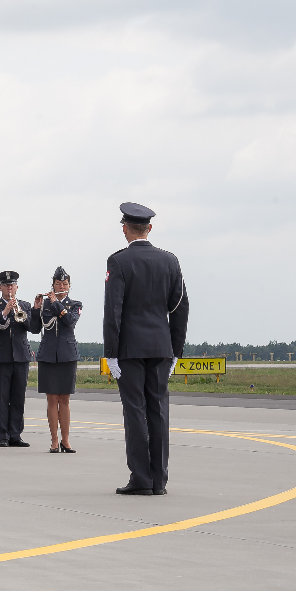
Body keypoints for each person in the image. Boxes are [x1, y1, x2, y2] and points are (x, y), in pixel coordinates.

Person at [104, 203, 189, 495]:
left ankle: (141, 478)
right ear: (149, 228)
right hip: (161, 346)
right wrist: (176, 349)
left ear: (125, 229)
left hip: (130, 349)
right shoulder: (170, 261)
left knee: (135, 411)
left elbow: (113, 311)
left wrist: (111, 352)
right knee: (159, 411)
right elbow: (180, 308)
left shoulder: (118, 261)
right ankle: (159, 480)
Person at [0, 271, 41, 447]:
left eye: (12, 285)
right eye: (6, 285)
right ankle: (3, 436)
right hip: (1, 357)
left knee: (18, 397)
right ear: (0, 287)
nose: (9, 288)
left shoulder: (24, 305)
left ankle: (15, 435)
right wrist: (5, 311)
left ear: (16, 287)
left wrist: (34, 311)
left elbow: (34, 328)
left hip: (21, 357)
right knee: (2, 398)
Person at [34, 266, 82, 453]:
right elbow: (34, 328)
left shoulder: (75, 304)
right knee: (52, 399)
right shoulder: (44, 304)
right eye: (58, 284)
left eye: (64, 284)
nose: (61, 286)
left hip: (67, 355)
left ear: (69, 286)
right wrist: (35, 308)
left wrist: (56, 304)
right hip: (48, 355)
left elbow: (69, 321)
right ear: (52, 285)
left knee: (65, 399)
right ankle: (54, 441)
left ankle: (66, 440)